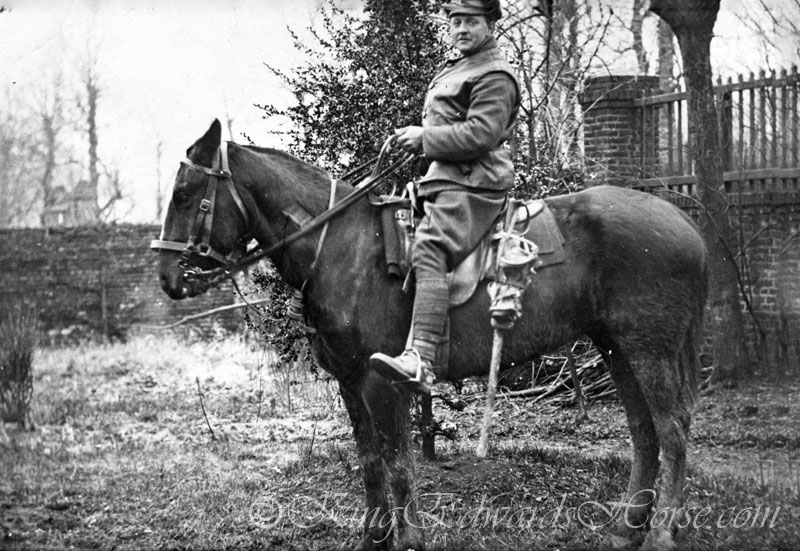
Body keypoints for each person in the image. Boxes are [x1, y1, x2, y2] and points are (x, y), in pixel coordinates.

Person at [369, 0, 520, 394]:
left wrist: (425, 139)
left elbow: (481, 135)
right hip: (446, 180)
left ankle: (420, 358)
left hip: (476, 184)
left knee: (429, 247)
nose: (461, 29)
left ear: (490, 25)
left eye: (471, 22)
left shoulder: (495, 74)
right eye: (455, 22)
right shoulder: (457, 69)